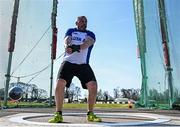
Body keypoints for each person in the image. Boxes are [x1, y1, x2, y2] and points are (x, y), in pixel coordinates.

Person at [48, 16, 101, 123]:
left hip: (83, 64)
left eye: (85, 21)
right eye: (81, 21)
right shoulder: (71, 31)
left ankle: (90, 113)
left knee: (93, 85)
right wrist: (67, 46)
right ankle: (58, 114)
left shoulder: (90, 34)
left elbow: (88, 43)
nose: (84, 23)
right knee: (59, 83)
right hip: (68, 62)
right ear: (76, 23)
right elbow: (66, 39)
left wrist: (76, 48)